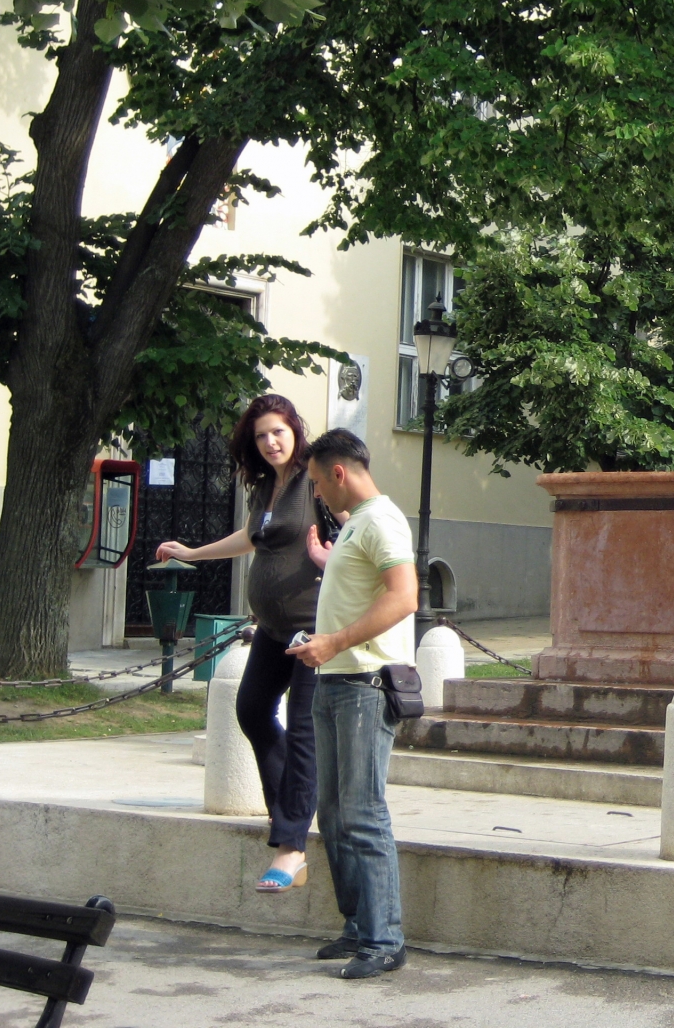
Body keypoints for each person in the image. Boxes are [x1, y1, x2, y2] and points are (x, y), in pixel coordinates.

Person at [156, 394, 332, 893]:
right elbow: (254, 537)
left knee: (302, 732)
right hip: (273, 629)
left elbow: (351, 532)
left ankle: (292, 846)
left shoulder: (313, 479)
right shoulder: (265, 487)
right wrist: (194, 553)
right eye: (261, 435)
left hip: (313, 629)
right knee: (252, 710)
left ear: (295, 429)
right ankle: (289, 822)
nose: (271, 441)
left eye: (278, 431)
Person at [289, 428, 418, 979]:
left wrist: (336, 642)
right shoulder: (355, 526)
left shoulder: (382, 520)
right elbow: (361, 588)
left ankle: (385, 940)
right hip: (337, 681)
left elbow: (404, 596)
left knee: (362, 814)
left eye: (318, 482)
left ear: (338, 473)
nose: (318, 493)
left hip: (365, 685)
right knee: (335, 812)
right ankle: (359, 926)